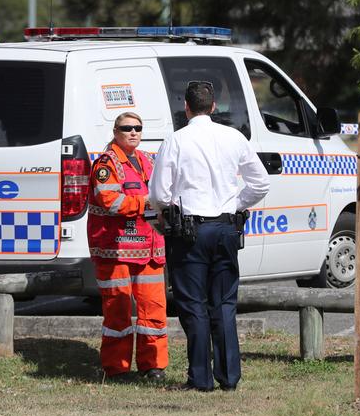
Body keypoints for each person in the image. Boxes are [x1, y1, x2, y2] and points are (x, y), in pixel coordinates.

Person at [149, 81, 269, 391]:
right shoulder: (234, 137)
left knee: (193, 306)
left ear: (186, 107)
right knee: (224, 304)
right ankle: (229, 377)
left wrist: (168, 207)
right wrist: (235, 204)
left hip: (190, 231)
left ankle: (200, 378)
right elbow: (260, 184)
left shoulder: (176, 140)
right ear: (213, 106)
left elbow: (159, 193)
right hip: (227, 228)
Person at [87, 112, 168, 382]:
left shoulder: (147, 159)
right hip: (116, 249)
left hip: (150, 248)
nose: (133, 132)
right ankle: (117, 368)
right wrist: (145, 203)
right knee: (117, 313)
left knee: (153, 310)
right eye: (127, 128)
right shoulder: (106, 163)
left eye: (138, 128)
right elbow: (110, 200)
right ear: (115, 131)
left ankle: (153, 366)